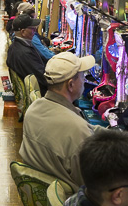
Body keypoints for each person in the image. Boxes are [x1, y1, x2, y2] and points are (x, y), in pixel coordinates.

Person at [20, 52, 107, 190]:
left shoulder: (34, 109)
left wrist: (119, 137)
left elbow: (86, 128)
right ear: (71, 84)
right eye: (82, 76)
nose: (84, 80)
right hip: (73, 203)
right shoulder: (76, 130)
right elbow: (92, 184)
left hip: (48, 195)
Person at [6, 14, 48, 96]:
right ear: (23, 32)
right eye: (32, 29)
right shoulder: (25, 53)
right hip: (41, 93)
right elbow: (43, 79)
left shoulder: (15, 47)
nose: (35, 31)